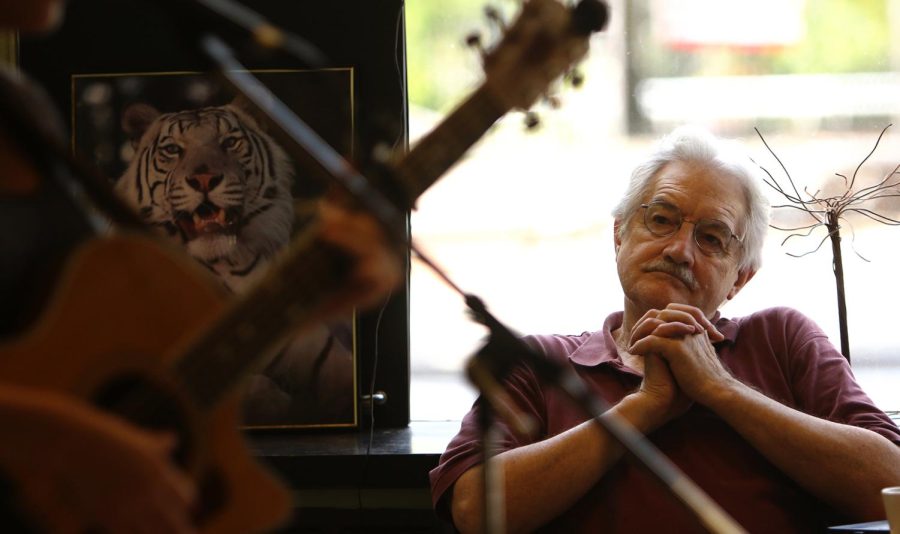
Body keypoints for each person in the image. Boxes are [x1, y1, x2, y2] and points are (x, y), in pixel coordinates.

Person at [0, 1, 401, 532]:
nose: (205, 173)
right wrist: (71, 444)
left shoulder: (21, 108)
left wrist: (314, 296)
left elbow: (73, 351)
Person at [430, 125, 900, 533]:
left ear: (740, 277)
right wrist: (644, 408)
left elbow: (892, 484)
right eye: (660, 219)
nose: (679, 249)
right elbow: (474, 512)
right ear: (620, 234)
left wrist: (720, 389)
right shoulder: (539, 363)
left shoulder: (780, 340)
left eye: (712, 237)